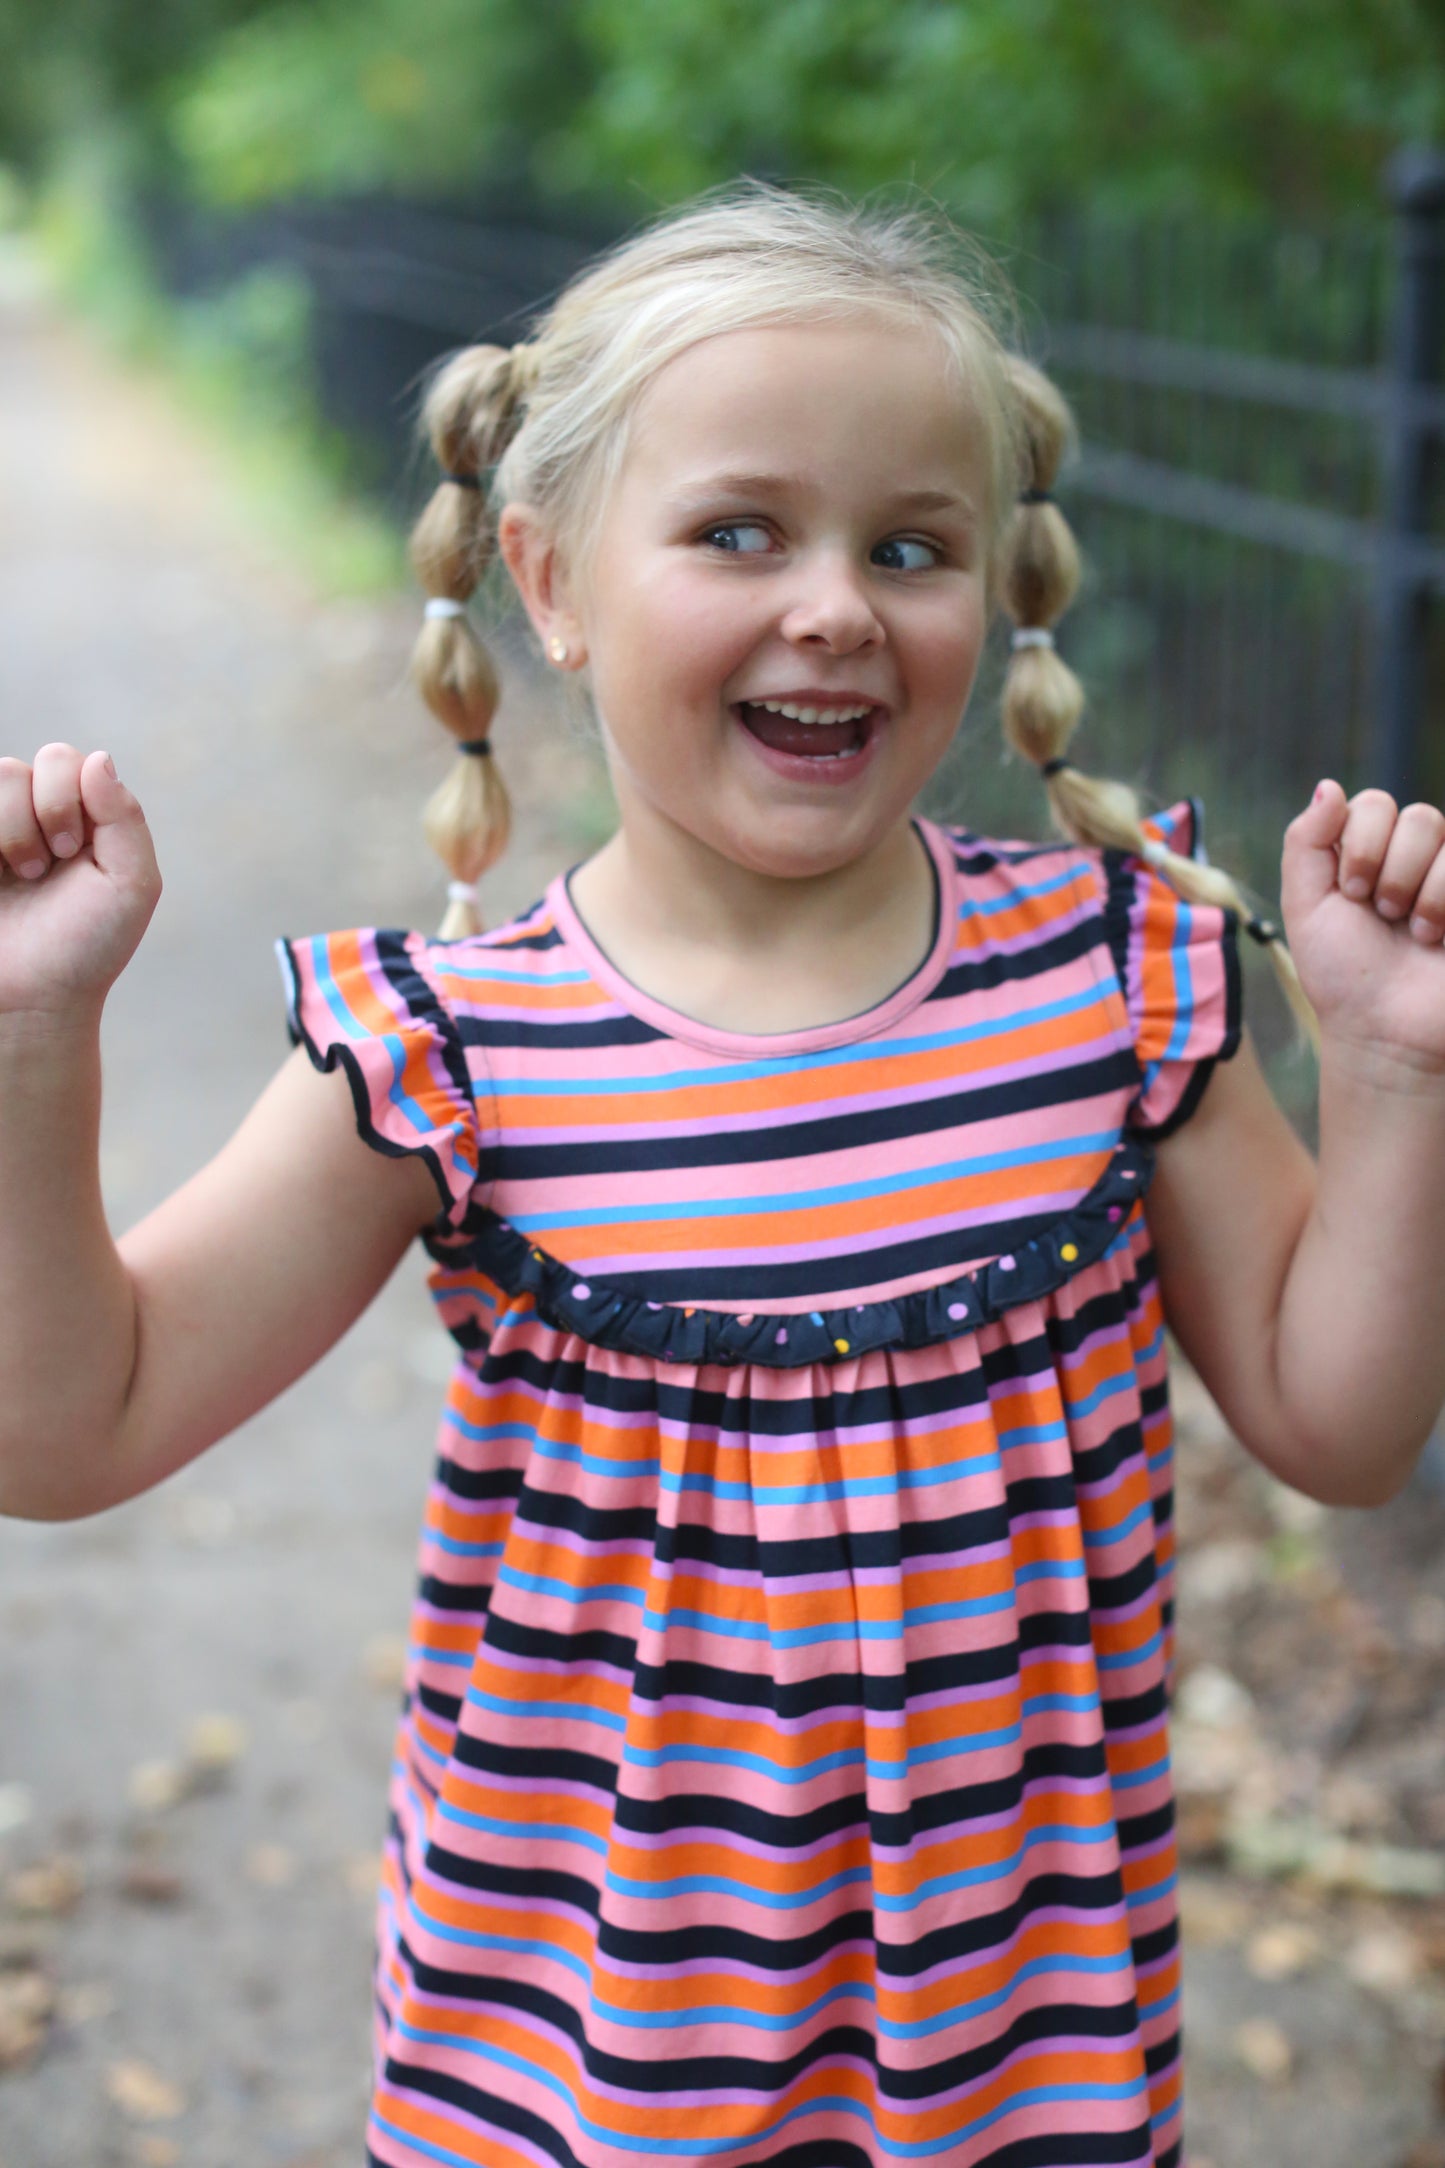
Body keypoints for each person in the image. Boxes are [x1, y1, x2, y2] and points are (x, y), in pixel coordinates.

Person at [3, 184, 1444, 2168]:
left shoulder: (1116, 981)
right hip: (583, 2085)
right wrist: (28, 1047)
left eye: (911, 544)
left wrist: (1392, 1067)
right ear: (554, 580)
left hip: (1019, 2073)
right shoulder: (457, 1054)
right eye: (743, 531)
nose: (839, 602)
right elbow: (72, 1427)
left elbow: (1345, 1426)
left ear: (996, 590)